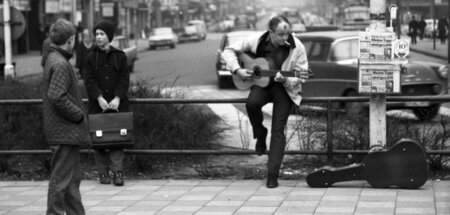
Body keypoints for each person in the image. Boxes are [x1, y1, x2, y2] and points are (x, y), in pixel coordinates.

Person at [222, 15, 309, 188]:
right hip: (261, 84)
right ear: (270, 32)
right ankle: (260, 134)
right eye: (280, 34)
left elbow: (302, 74)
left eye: (287, 33)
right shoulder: (255, 40)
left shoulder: (297, 46)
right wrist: (237, 69)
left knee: (278, 130)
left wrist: (286, 80)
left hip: (283, 88)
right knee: (251, 104)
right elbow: (228, 51)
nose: (285, 38)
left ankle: (272, 174)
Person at [42, 18, 90, 215]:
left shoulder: (53, 58)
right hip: (65, 131)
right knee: (61, 181)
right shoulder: (60, 63)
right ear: (70, 39)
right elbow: (57, 96)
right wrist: (78, 115)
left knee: (70, 181)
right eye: (75, 38)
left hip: (63, 131)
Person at [84, 20, 130, 186]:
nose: (98, 37)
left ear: (109, 37)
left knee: (117, 140)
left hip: (118, 106)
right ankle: (103, 173)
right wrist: (99, 97)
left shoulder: (120, 56)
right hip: (98, 106)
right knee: (99, 141)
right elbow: (88, 80)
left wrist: (117, 97)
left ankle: (118, 173)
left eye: (102, 34)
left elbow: (125, 79)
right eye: (96, 34)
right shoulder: (90, 58)